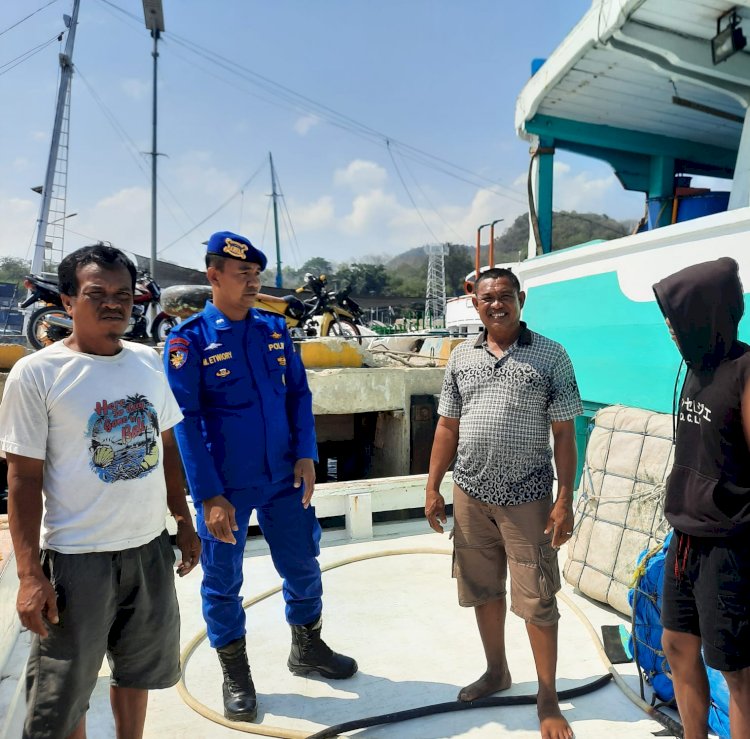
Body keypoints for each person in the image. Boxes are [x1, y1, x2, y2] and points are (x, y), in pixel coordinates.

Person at [0, 243, 200, 739]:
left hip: (149, 549)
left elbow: (167, 447)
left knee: (138, 673)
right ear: (68, 301)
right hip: (76, 559)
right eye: (97, 293)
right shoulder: (37, 373)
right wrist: (29, 575)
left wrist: (184, 520)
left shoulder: (148, 361)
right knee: (66, 690)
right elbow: (23, 478)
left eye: (123, 294)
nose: (113, 303)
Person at [164, 231, 356, 723]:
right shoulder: (188, 342)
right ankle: (236, 673)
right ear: (213, 277)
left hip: (284, 479)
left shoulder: (273, 331)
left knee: (303, 564)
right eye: (242, 274)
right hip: (225, 488)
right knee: (223, 581)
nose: (252, 283)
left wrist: (308, 454)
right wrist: (207, 495)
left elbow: (298, 396)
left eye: (256, 275)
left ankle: (307, 650)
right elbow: (186, 421)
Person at [425, 267, 581, 739]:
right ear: (475, 304)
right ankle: (497, 672)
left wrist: (564, 498)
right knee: (483, 589)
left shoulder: (551, 356)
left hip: (528, 497)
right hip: (470, 494)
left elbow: (565, 434)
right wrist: (433, 487)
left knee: (537, 599)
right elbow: (447, 427)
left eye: (505, 296)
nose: (497, 305)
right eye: (487, 298)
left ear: (521, 298)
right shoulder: (461, 358)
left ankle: (548, 695)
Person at [653, 257, 750, 739]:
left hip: (730, 544)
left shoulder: (744, 371)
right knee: (676, 644)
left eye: (677, 318)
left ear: (705, 313)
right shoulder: (693, 367)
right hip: (685, 536)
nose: (671, 328)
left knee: (737, 671)